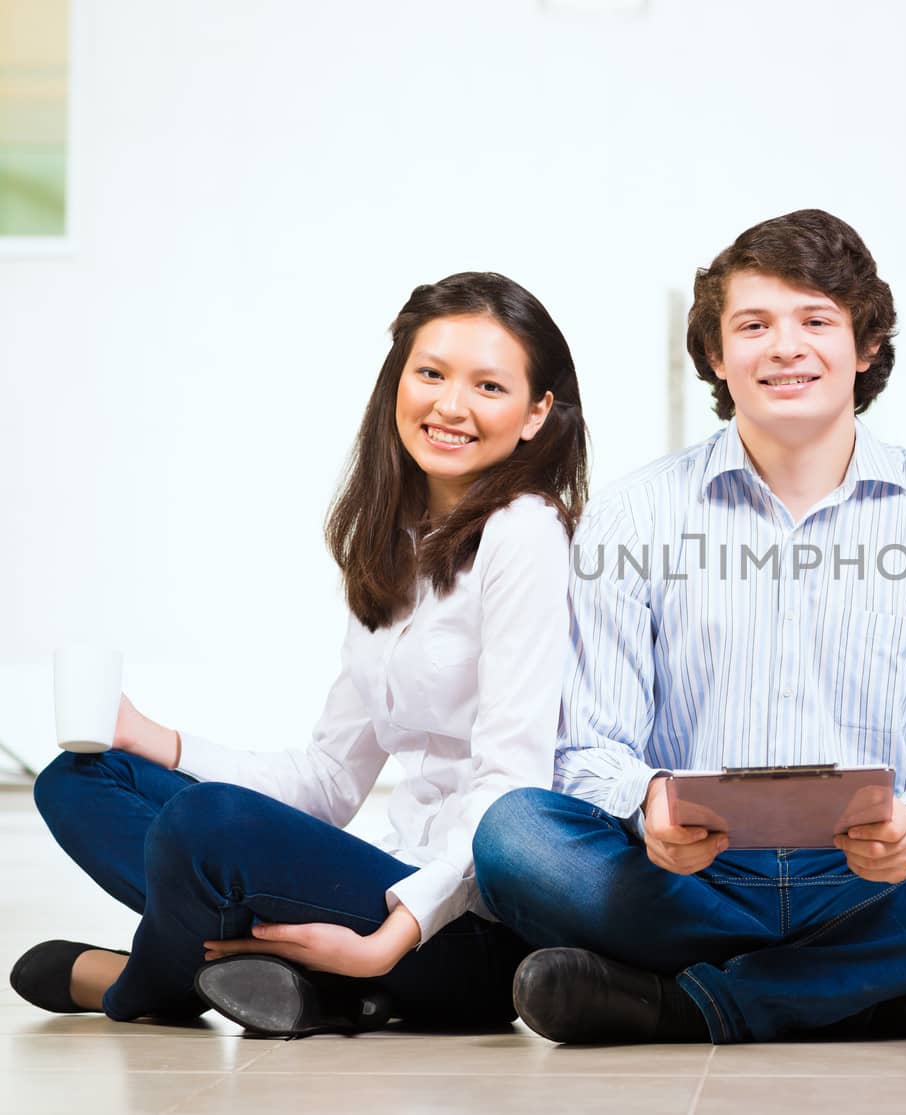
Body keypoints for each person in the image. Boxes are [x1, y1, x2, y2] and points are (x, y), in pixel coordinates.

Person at [472, 209, 906, 1045]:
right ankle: (889, 984)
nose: (785, 347)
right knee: (515, 835)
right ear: (716, 353)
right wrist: (648, 805)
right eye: (754, 325)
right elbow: (591, 747)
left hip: (880, 879)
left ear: (867, 346)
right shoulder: (633, 514)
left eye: (816, 320)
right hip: (690, 883)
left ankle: (705, 1002)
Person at [10, 272, 586, 1036]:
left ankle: (141, 983)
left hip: (465, 925)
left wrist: (386, 942)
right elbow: (327, 780)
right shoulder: (392, 543)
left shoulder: (526, 530)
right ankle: (279, 977)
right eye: (431, 373)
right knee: (79, 781)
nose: (451, 405)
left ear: (536, 414)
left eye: (488, 385)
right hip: (387, 876)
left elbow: (511, 788)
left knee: (207, 825)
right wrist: (154, 738)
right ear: (396, 384)